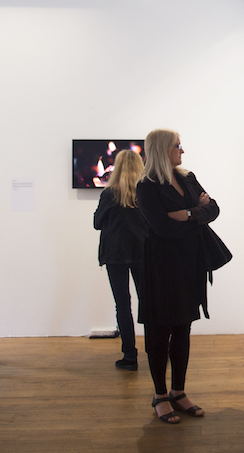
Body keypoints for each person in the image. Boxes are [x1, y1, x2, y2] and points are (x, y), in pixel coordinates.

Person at [136, 129, 217, 424]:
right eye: (177, 146)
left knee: (183, 329)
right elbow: (162, 228)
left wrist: (188, 214)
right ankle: (159, 395)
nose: (182, 151)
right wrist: (199, 210)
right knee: (159, 332)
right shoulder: (146, 186)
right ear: (161, 150)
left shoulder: (188, 178)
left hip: (188, 264)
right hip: (160, 268)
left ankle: (178, 392)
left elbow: (215, 209)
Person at [93, 149, 146, 371]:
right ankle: (158, 349)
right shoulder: (145, 193)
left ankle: (129, 355)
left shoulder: (110, 194)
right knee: (149, 302)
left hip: (115, 255)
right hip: (143, 253)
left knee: (123, 306)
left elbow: (97, 223)